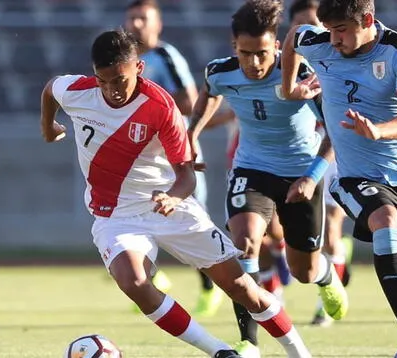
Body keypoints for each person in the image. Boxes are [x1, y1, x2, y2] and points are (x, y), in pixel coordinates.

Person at [40, 29, 312, 358]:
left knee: (241, 288)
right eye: (104, 80)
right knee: (133, 282)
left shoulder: (159, 105)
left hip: (170, 207)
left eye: (120, 80)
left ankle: (299, 353)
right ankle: (221, 352)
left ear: (138, 68)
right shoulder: (77, 91)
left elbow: (186, 175)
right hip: (116, 216)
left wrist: (173, 197)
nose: (112, 90)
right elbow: (50, 90)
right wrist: (49, 127)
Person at [281, 0, 397, 356]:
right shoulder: (319, 41)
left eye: (342, 30)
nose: (334, 39)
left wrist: (379, 131)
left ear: (367, 19)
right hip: (357, 175)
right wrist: (289, 86)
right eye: (329, 30)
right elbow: (294, 37)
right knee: (384, 222)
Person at [189, 1, 348, 356]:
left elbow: (335, 133)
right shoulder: (219, 72)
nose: (254, 63)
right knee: (243, 245)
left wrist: (311, 177)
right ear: (234, 48)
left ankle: (325, 276)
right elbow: (208, 97)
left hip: (301, 174)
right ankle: (249, 341)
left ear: (277, 45)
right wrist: (192, 134)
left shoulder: (302, 74)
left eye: (262, 53)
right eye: (246, 54)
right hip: (252, 170)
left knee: (303, 270)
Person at [124, 0, 223, 317]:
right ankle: (150, 277)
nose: (137, 24)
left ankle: (210, 287)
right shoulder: (124, 60)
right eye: (133, 18)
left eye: (143, 18)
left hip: (175, 149)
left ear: (157, 24)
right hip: (140, 153)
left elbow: (191, 102)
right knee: (132, 214)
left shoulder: (166, 56)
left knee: (194, 217)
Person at [287, 0, 355, 328]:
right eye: (303, 27)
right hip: (299, 156)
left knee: (332, 227)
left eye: (318, 27)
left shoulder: (335, 60)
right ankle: (338, 262)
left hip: (333, 150)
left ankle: (324, 302)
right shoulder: (280, 68)